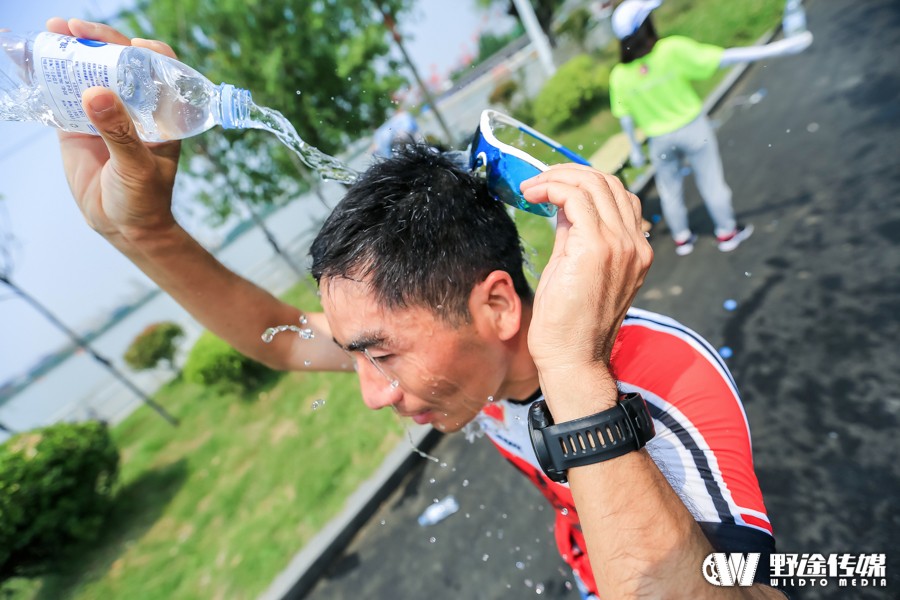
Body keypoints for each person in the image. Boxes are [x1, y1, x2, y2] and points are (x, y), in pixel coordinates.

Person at [48, 17, 788, 599]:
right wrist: (144, 231)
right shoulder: (477, 365)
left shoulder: (661, 384)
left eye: (381, 351)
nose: (371, 393)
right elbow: (277, 340)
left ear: (498, 303)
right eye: (356, 351)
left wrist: (576, 378)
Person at [609, 0, 813, 256]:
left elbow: (624, 117)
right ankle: (727, 233)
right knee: (711, 181)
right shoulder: (669, 50)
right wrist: (776, 49)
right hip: (693, 129)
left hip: (658, 139)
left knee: (669, 190)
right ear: (645, 26)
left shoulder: (619, 75)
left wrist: (635, 147)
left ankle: (682, 239)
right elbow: (722, 58)